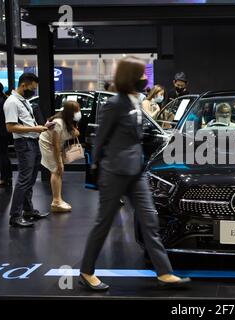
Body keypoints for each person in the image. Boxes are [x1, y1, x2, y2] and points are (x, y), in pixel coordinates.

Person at [79, 56, 191, 291]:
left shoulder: (135, 101)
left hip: (137, 172)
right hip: (115, 173)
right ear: (130, 77)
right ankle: (86, 271)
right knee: (104, 223)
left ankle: (164, 272)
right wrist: (97, 168)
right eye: (140, 74)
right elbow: (100, 141)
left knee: (149, 222)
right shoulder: (114, 104)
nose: (144, 78)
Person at [3, 73, 50, 228]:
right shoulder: (12, 102)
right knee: (24, 180)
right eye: (32, 88)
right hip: (24, 144)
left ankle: (28, 210)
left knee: (30, 180)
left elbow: (27, 121)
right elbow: (10, 127)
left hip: (33, 142)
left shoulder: (24, 101)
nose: (33, 91)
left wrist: (42, 126)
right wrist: (35, 128)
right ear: (23, 85)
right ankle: (15, 216)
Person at [39, 101, 81, 213]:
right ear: (70, 112)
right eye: (77, 110)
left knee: (59, 171)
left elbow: (76, 133)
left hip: (57, 146)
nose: (79, 113)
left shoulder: (68, 120)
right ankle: (56, 202)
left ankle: (58, 199)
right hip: (48, 145)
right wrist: (59, 162)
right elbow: (55, 144)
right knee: (56, 170)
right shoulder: (58, 122)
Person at [0, 82, 12, 188]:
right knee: (4, 156)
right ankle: (7, 178)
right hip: (3, 132)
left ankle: (4, 179)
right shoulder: (2, 99)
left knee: (2, 156)